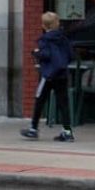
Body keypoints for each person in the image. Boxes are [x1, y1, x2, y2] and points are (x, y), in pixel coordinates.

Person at [20, 11, 75, 142]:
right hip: (62, 74)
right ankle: (67, 131)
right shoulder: (64, 38)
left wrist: (36, 53)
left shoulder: (44, 39)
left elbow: (46, 55)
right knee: (63, 103)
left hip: (48, 75)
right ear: (57, 23)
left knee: (40, 100)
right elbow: (71, 55)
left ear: (44, 25)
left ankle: (33, 128)